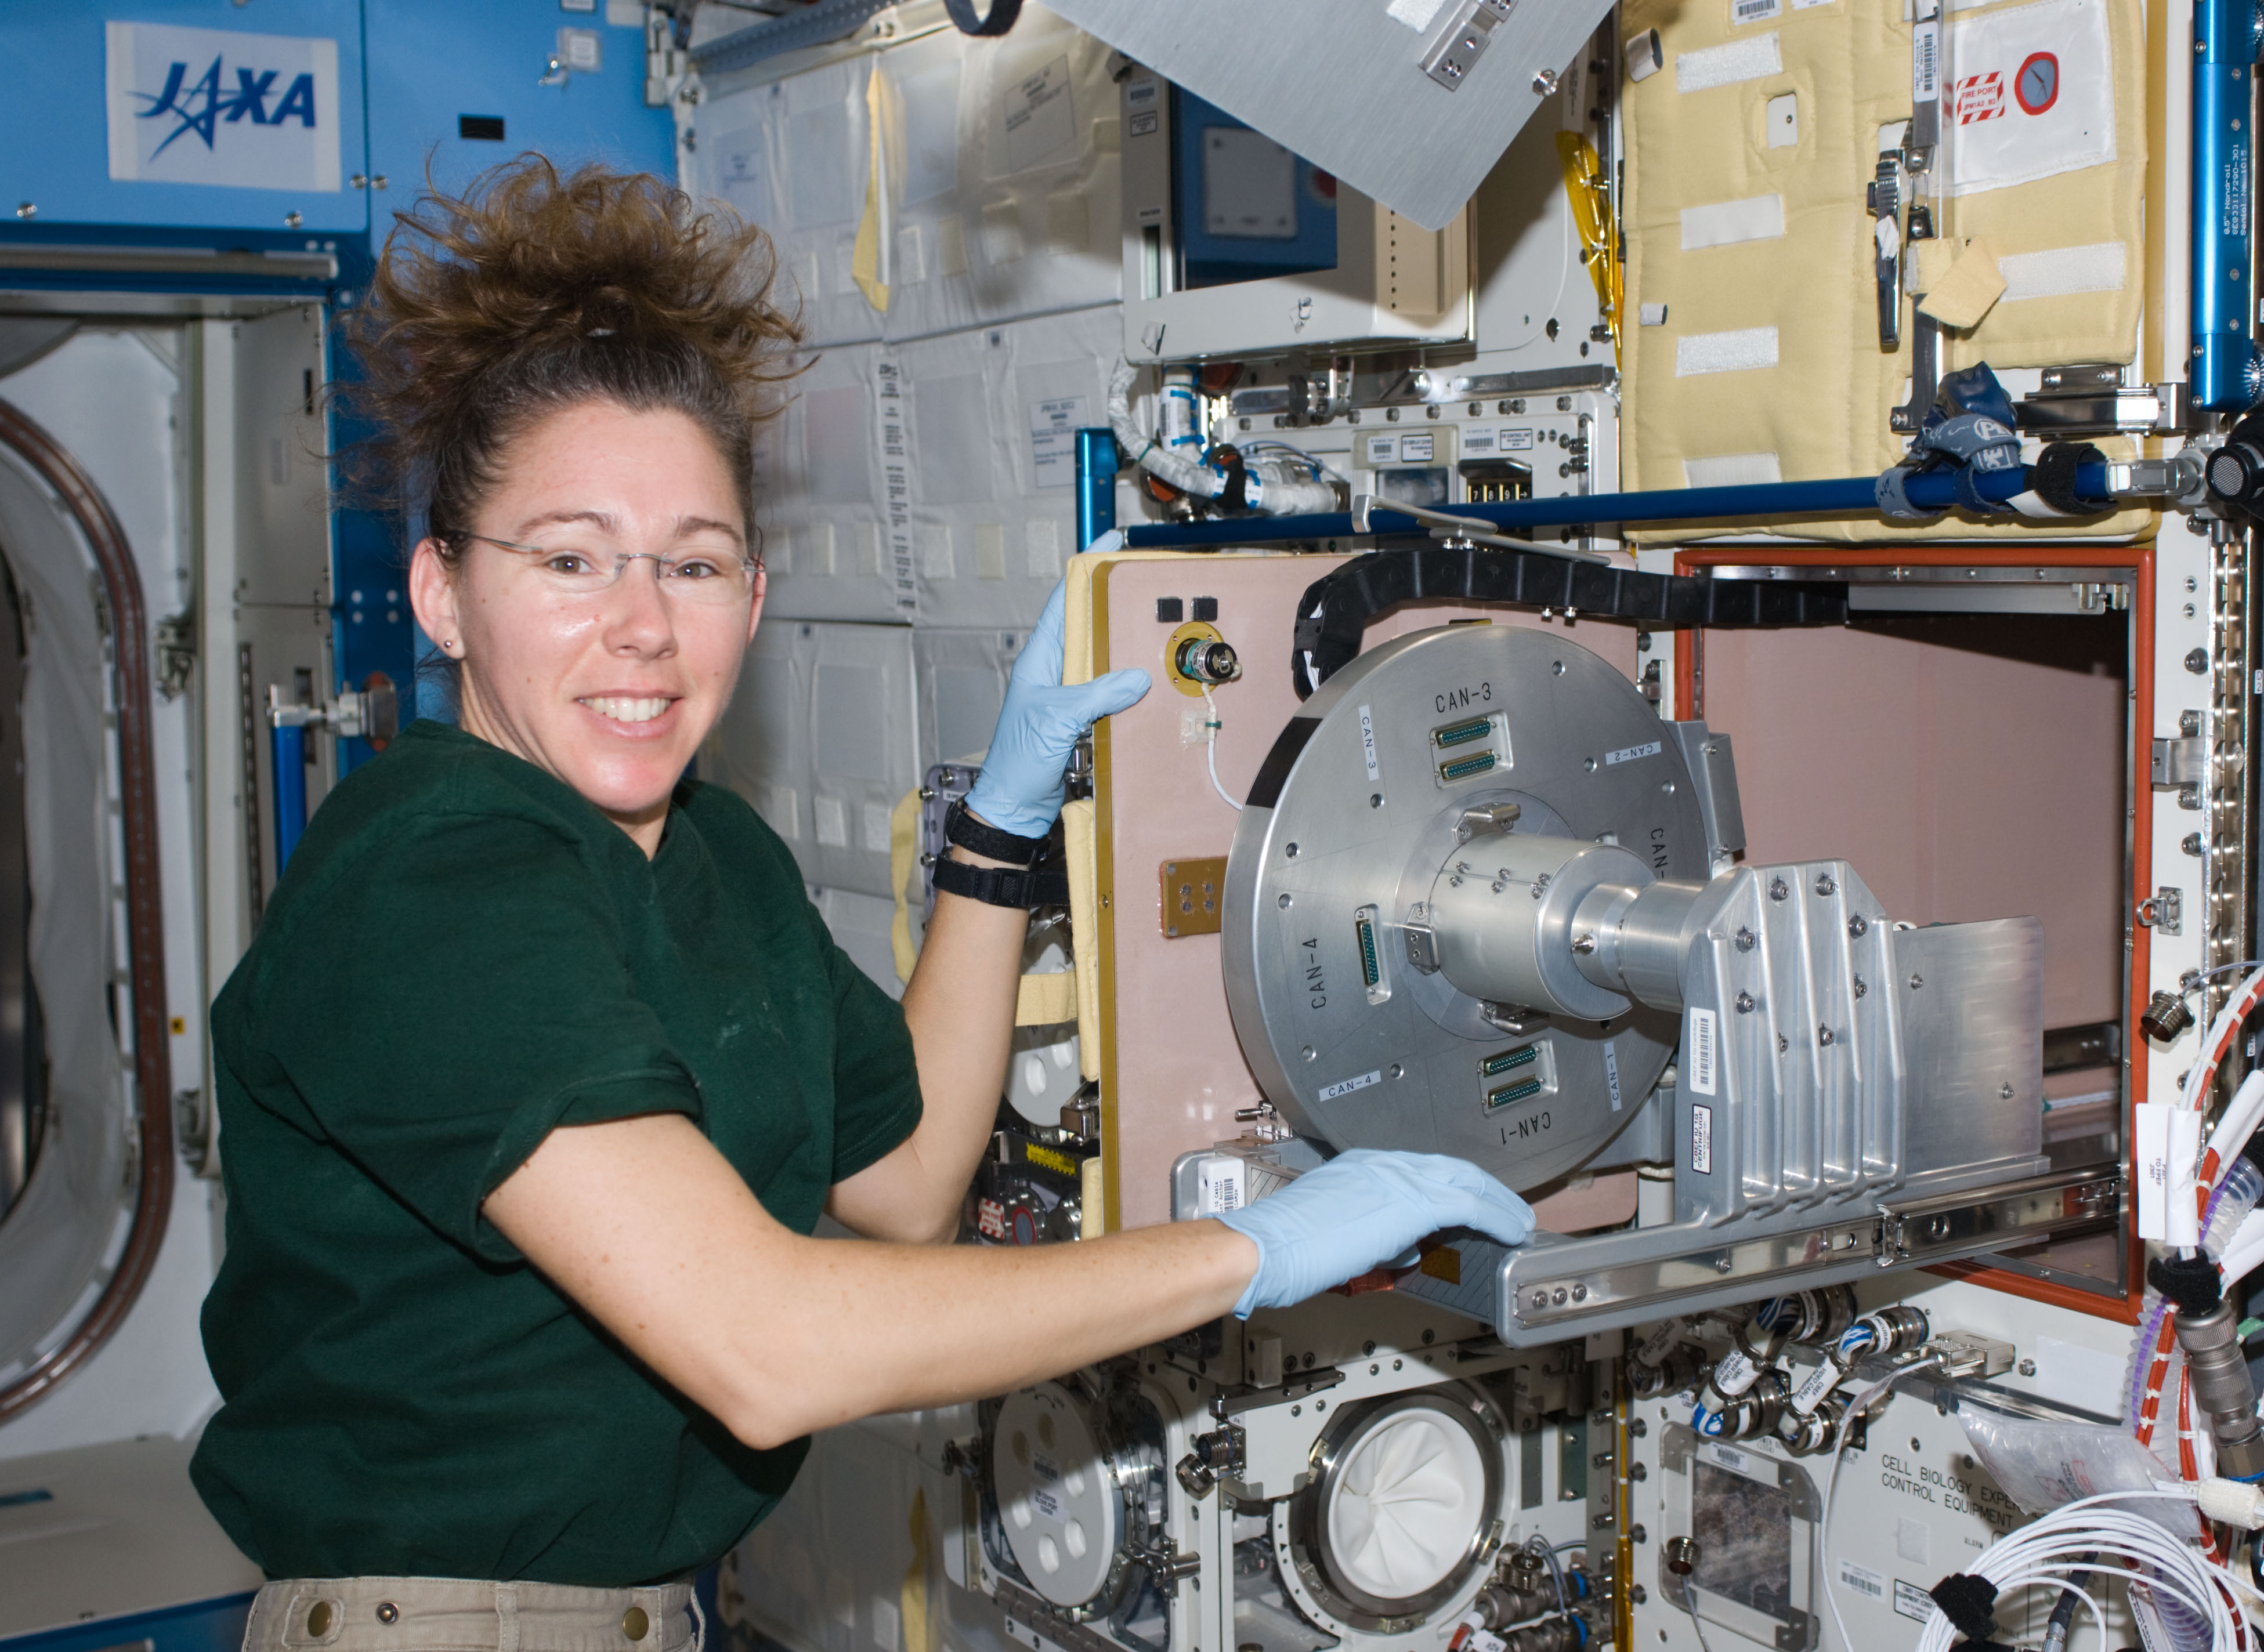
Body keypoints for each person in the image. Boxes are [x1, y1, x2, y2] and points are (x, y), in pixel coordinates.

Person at [191, 157, 1534, 1649]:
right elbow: (766, 1345)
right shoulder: (437, 876)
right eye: (568, 558)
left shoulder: (709, 854)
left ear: (753, 599)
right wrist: (1251, 1252)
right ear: (441, 593)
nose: (641, 624)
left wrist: (1000, 827)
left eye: (693, 564)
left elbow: (906, 1182)